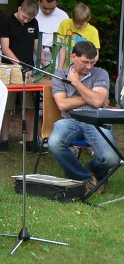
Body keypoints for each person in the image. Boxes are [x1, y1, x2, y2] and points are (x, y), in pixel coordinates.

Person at [48, 41, 118, 194]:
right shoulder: (60, 75)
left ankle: (92, 171)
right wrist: (91, 97)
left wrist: (76, 82)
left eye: (92, 62)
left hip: (96, 120)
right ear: (73, 56)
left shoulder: (101, 73)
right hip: (69, 120)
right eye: (85, 62)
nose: (89, 67)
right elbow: (62, 104)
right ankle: (84, 178)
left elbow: (97, 101)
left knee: (112, 158)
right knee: (54, 143)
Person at [0, 0, 40, 153]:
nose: (26, 21)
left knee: (29, 106)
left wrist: (42, 61)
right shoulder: (7, 21)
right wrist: (19, 65)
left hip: (28, 70)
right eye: (24, 17)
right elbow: (5, 47)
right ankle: (4, 140)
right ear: (19, 8)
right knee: (7, 106)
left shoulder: (34, 23)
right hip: (10, 68)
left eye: (29, 19)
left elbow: (37, 46)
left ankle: (29, 141)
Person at [56, 3, 100, 70]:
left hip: (82, 70)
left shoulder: (93, 31)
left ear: (88, 19)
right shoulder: (65, 24)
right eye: (75, 22)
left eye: (81, 24)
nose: (77, 26)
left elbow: (95, 56)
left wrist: (86, 66)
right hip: (66, 68)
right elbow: (62, 48)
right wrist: (59, 70)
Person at [35, 0, 68, 66]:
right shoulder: (33, 13)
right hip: (34, 57)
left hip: (55, 60)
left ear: (57, 3)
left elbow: (64, 41)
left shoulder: (63, 16)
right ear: (39, 1)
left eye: (52, 8)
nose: (48, 11)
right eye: (44, 8)